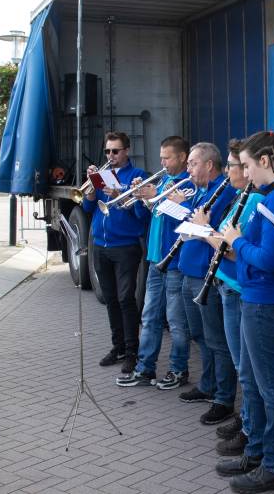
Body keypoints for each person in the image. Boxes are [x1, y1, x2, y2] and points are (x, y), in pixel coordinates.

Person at [215, 131, 274, 493]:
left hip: (265, 300)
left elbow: (270, 260)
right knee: (256, 383)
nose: (246, 173)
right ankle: (257, 454)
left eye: (249, 165)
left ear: (265, 162)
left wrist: (235, 241)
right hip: (263, 296)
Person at [203, 139, 265, 458]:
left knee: (245, 367)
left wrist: (204, 230)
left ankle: (251, 428)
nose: (227, 171)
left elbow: (231, 250)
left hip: (239, 290)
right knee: (243, 366)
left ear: (246, 169)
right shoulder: (240, 197)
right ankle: (247, 420)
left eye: (232, 165)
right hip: (228, 287)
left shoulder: (253, 201)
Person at [117, 136, 194, 389]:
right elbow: (145, 216)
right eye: (160, 157)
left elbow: (183, 220)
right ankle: (145, 368)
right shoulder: (164, 183)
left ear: (182, 158)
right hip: (154, 260)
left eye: (167, 158)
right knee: (149, 317)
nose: (161, 162)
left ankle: (178, 369)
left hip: (173, 264)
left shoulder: (187, 186)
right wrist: (141, 198)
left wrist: (157, 196)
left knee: (175, 320)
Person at [173, 142, 238, 425]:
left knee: (217, 339)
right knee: (201, 336)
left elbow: (210, 231)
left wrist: (194, 218)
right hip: (190, 270)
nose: (188, 169)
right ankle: (208, 383)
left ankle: (224, 398)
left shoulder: (224, 192)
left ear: (209, 165)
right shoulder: (201, 191)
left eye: (193, 164)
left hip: (205, 275)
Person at [82, 131, 150, 375]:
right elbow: (89, 207)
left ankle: (132, 351)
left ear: (127, 151)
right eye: (107, 151)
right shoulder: (103, 175)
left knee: (125, 299)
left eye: (116, 151)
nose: (111, 156)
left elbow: (142, 216)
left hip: (125, 246)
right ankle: (118, 347)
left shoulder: (138, 176)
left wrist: (120, 194)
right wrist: (91, 189)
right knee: (110, 299)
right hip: (101, 246)